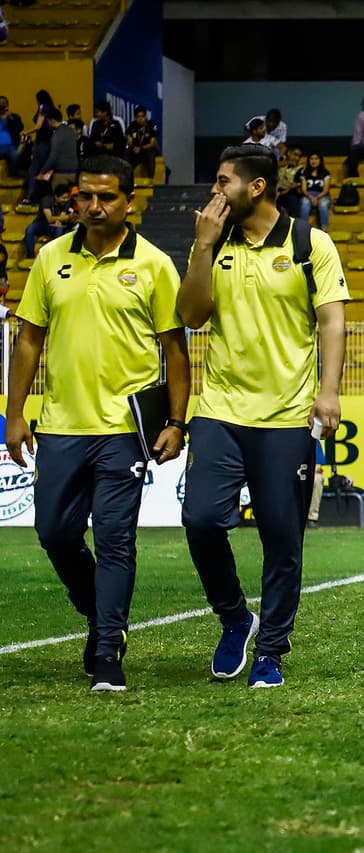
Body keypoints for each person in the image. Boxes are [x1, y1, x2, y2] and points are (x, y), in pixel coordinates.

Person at [4, 154, 191, 692]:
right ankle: (96, 611)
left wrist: (176, 421)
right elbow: (29, 339)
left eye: (106, 197)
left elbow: (175, 351)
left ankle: (108, 647)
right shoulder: (50, 258)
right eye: (84, 196)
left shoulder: (154, 264)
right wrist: (14, 414)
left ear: (129, 201)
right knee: (54, 533)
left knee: (114, 541)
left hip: (123, 431)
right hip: (60, 425)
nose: (93, 206)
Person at [178, 144, 350, 689]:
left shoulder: (309, 244)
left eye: (222, 182)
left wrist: (329, 392)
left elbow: (332, 321)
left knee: (282, 539)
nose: (214, 192)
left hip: (286, 416)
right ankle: (235, 617)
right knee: (200, 520)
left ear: (255, 187)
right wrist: (203, 247)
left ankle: (271, 649)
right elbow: (191, 315)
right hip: (219, 410)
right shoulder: (213, 242)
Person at [32, 108, 78, 200]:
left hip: (61, 174)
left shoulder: (57, 135)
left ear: (52, 120)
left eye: (48, 121)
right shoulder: (70, 131)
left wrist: (42, 172)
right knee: (72, 200)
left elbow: (53, 157)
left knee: (59, 200)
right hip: (74, 173)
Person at [24, 183, 76, 257]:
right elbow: (49, 219)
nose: (66, 200)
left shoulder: (67, 203)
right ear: (56, 197)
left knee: (59, 230)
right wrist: (67, 217)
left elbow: (61, 218)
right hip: (43, 223)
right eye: (63, 198)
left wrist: (60, 220)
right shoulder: (46, 200)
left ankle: (55, 255)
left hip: (56, 225)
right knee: (30, 229)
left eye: (67, 198)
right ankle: (30, 256)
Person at [297, 152, 332, 229]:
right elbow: (304, 189)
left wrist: (317, 198)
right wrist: (311, 197)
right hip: (308, 195)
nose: (313, 161)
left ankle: (324, 228)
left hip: (323, 195)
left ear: (320, 160)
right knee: (304, 204)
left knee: (323, 205)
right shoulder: (304, 173)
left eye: (316, 159)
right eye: (311, 159)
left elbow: (326, 190)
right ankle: (304, 229)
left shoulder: (326, 173)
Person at [125, 107, 159, 179]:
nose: (140, 119)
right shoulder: (132, 125)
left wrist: (141, 148)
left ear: (145, 116)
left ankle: (151, 179)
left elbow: (153, 143)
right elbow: (129, 141)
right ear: (135, 117)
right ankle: (127, 176)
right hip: (136, 148)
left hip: (148, 148)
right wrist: (133, 147)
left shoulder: (151, 126)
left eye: (142, 116)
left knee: (150, 153)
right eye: (138, 117)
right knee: (127, 150)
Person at [274, 146, 305, 217]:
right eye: (295, 155)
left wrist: (286, 191)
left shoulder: (300, 168)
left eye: (299, 156)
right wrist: (288, 162)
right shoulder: (282, 160)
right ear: (289, 153)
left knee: (292, 200)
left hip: (289, 192)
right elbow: (272, 165)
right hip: (275, 191)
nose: (297, 158)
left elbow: (297, 184)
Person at [0, 95, 24, 176]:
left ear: (7, 105)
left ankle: (12, 174)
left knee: (15, 155)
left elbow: (20, 128)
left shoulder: (14, 117)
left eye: (3, 104)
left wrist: (10, 117)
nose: (1, 107)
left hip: (10, 146)